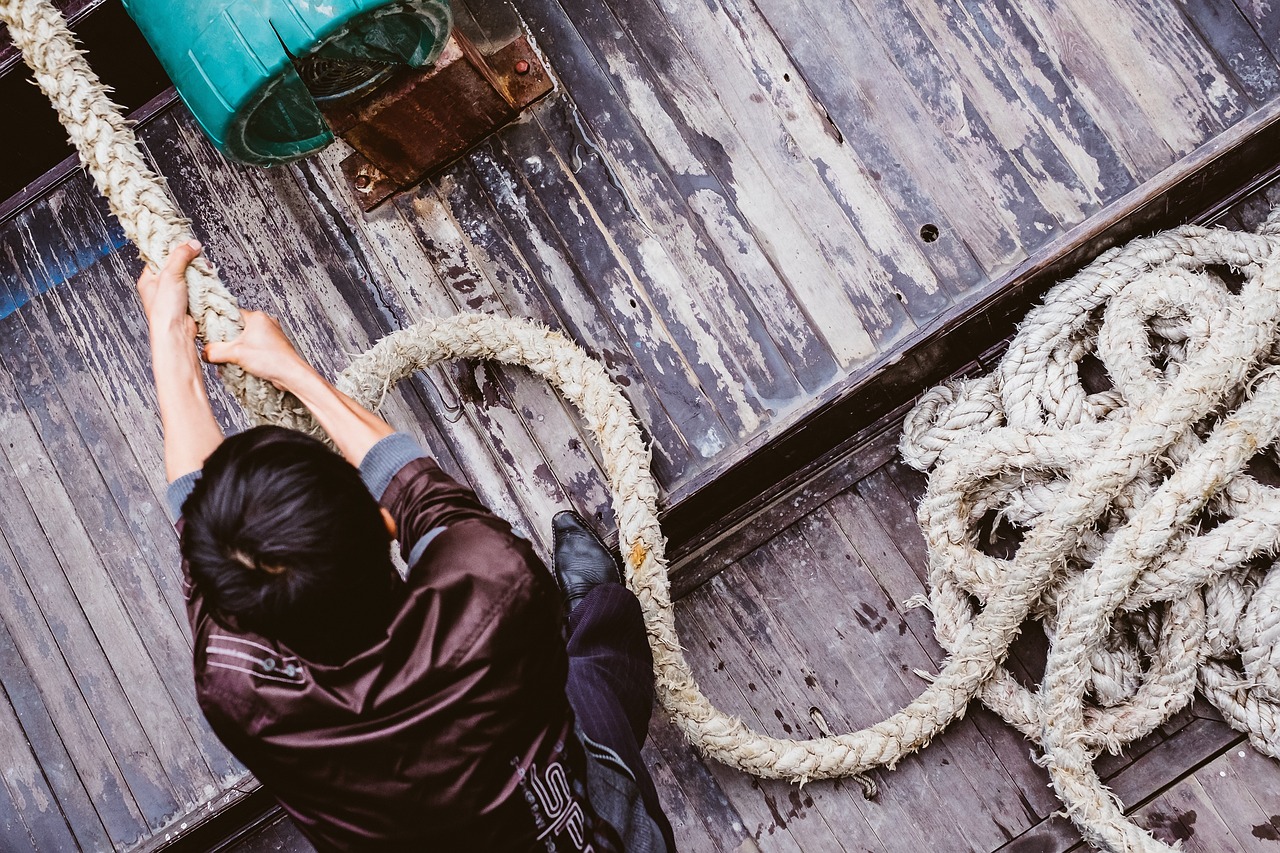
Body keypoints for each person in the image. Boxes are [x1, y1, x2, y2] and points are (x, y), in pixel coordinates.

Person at [138, 240, 676, 852]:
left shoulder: (235, 688)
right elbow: (419, 492)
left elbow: (197, 522)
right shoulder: (494, 587)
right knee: (595, 670)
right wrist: (296, 375)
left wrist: (169, 347)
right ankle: (603, 609)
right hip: (598, 834)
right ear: (387, 528)